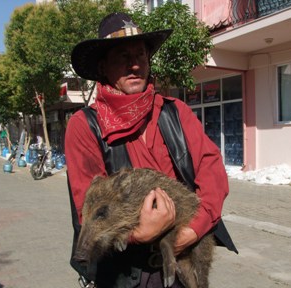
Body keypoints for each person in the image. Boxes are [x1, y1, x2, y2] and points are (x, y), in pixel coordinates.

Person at [66, 12, 236, 288]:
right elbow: (88, 209)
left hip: (184, 250)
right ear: (103, 67)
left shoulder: (175, 111)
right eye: (123, 56)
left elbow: (212, 170)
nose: (135, 65)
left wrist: (192, 231)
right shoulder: (84, 125)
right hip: (126, 270)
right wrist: (141, 234)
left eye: (141, 55)